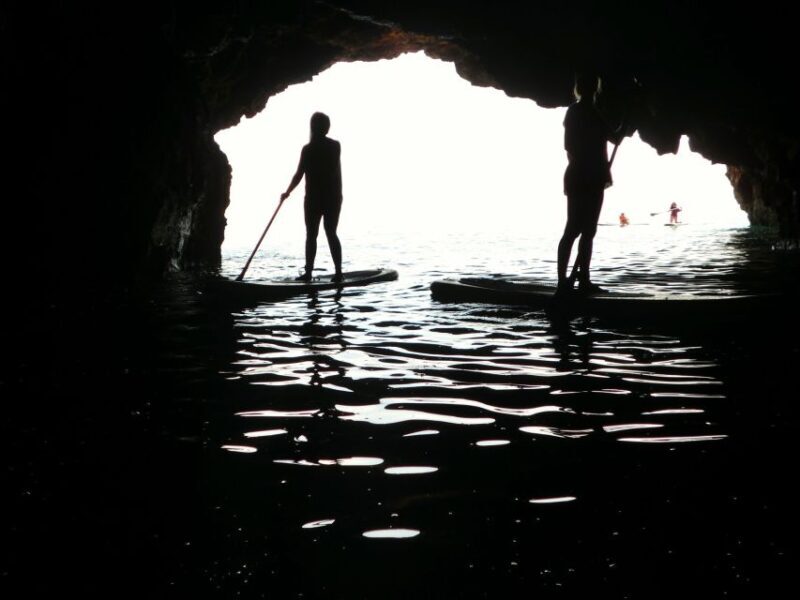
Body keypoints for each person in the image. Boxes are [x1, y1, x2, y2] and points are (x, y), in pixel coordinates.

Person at [557, 72, 625, 295]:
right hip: (586, 175)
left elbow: (614, 137)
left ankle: (579, 280)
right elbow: (571, 146)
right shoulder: (579, 112)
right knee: (576, 229)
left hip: (588, 175)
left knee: (586, 230)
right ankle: (565, 282)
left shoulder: (591, 113)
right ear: (594, 89)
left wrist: (624, 125)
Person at [280, 112, 343, 281]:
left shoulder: (325, 147)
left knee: (325, 232)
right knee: (316, 234)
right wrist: (287, 192)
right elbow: (299, 174)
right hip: (324, 197)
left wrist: (289, 191)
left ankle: (336, 273)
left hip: (326, 197)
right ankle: (313, 273)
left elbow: (305, 173)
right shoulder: (316, 148)